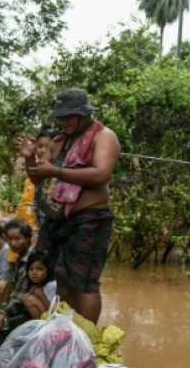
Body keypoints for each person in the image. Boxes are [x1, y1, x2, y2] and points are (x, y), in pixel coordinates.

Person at [17, 88, 120, 324]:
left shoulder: (103, 136)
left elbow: (101, 174)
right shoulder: (59, 141)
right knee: (62, 276)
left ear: (84, 114)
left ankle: (88, 338)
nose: (63, 122)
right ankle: (66, 330)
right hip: (60, 217)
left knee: (85, 282)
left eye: (69, 116)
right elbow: (37, 178)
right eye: (60, 117)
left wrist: (55, 171)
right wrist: (29, 157)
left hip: (90, 218)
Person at [0, 218, 34, 329]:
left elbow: (20, 292)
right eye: (10, 239)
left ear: (27, 237)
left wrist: (2, 311)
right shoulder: (21, 255)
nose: (13, 243)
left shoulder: (31, 259)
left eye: (17, 238)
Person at [14, 127, 55, 247]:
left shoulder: (61, 171)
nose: (42, 150)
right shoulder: (34, 177)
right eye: (40, 146)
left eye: (47, 147)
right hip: (38, 232)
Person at [19, 252, 53, 319]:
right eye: (31, 269)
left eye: (40, 269)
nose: (34, 273)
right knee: (25, 297)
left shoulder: (51, 285)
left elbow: (53, 311)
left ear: (48, 271)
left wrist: (40, 295)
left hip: (53, 318)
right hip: (45, 316)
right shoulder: (34, 285)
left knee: (29, 299)